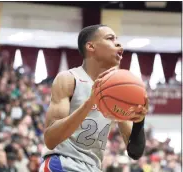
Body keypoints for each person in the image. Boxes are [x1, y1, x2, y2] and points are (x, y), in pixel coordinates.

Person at [39, 24, 148, 172]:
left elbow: (135, 152)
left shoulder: (117, 90)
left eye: (117, 39)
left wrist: (139, 121)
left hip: (93, 168)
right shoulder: (70, 78)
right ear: (91, 46)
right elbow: (50, 140)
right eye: (110, 38)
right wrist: (90, 103)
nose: (118, 43)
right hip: (63, 163)